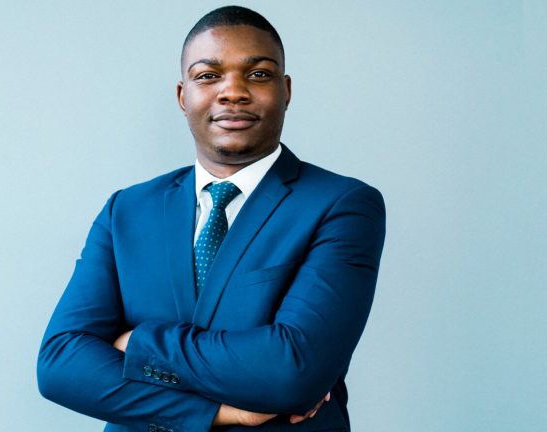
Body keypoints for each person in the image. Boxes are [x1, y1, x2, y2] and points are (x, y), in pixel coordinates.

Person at [38, 6, 385, 431]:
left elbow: (293, 371)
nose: (233, 92)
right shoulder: (126, 210)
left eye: (258, 74)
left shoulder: (342, 205)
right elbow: (60, 365)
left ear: (286, 91)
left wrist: (138, 343)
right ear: (183, 96)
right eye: (207, 76)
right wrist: (222, 414)